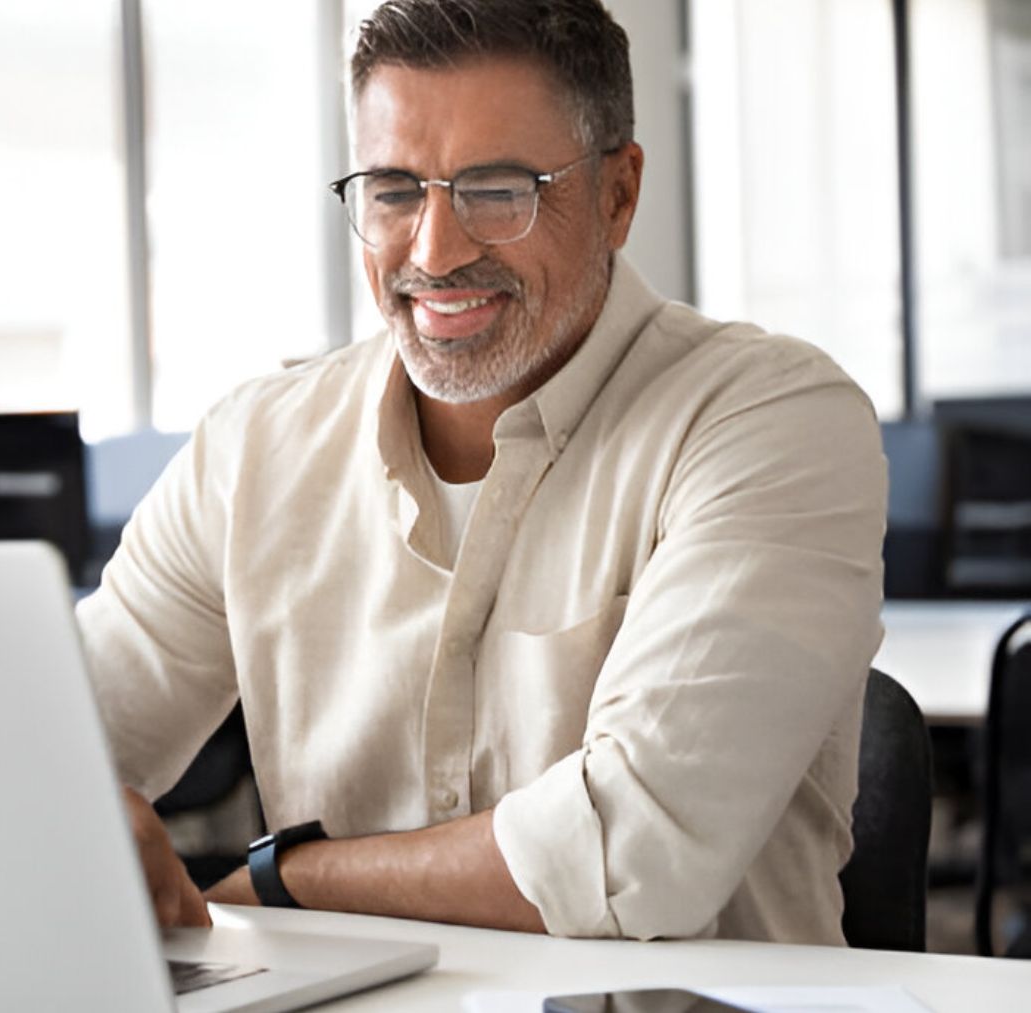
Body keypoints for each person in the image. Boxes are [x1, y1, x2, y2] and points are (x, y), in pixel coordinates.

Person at [77, 0, 885, 945]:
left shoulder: (772, 419)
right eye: (392, 190)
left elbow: (632, 851)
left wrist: (282, 881)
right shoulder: (253, 449)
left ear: (619, 194)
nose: (435, 250)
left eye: (500, 189)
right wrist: (65, 806)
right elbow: (44, 737)